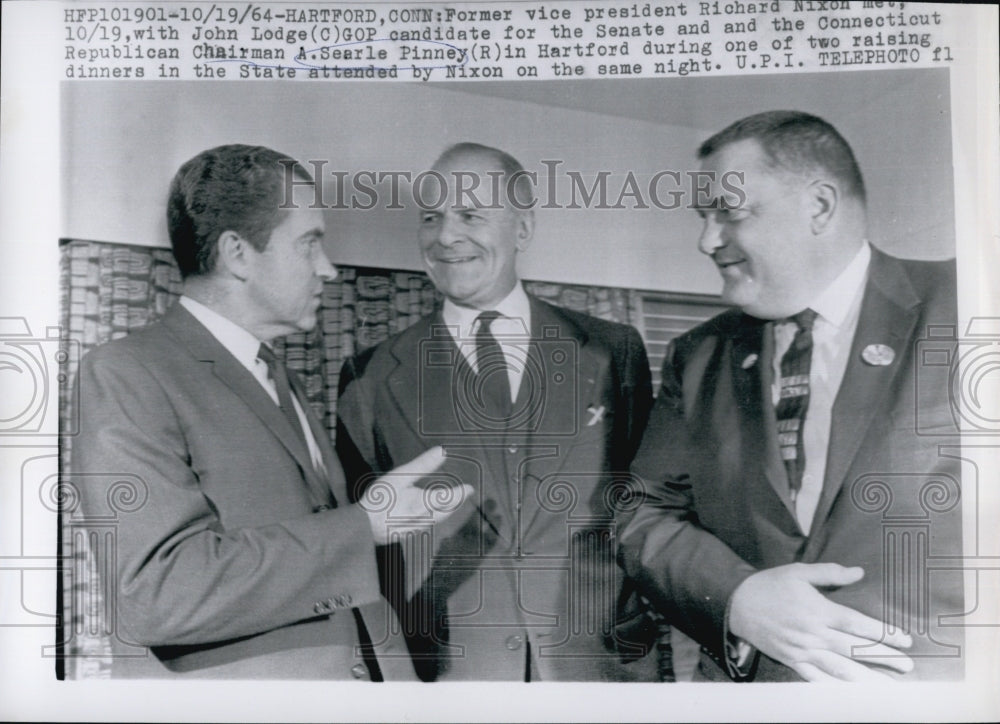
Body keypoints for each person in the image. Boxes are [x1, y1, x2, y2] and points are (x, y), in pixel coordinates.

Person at [73, 144, 470, 679]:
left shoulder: (276, 374)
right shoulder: (126, 372)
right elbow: (157, 593)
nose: (328, 268)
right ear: (238, 254)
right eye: (309, 244)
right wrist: (364, 525)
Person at [618, 111, 963, 682]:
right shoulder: (698, 355)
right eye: (704, 217)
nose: (707, 241)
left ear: (819, 206)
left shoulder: (971, 299)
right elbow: (642, 511)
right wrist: (737, 597)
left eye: (729, 213)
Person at [335, 143, 657, 681]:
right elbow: (359, 549)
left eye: (470, 215)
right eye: (431, 217)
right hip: (450, 681)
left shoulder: (612, 350)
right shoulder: (369, 376)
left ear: (522, 229)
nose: (445, 236)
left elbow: (649, 508)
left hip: (601, 670)